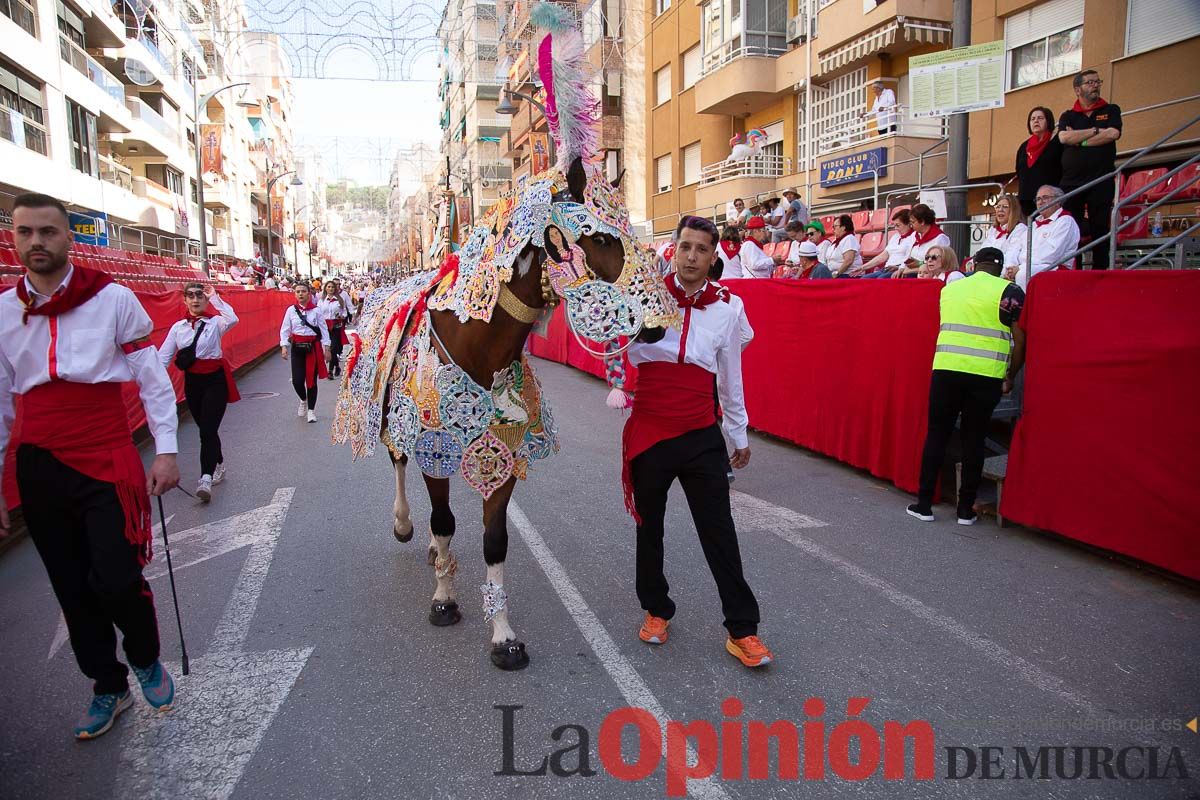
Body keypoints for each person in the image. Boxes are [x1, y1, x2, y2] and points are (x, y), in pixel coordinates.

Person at [0, 193, 180, 739]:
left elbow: (151, 376)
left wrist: (166, 449)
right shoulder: (4, 312)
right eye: (25, 232)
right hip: (40, 464)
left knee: (116, 575)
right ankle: (108, 684)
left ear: (69, 238)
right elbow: (3, 402)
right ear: (13, 238)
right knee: (71, 586)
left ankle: (146, 658)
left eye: (48, 232)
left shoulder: (115, 299)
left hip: (106, 455)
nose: (36, 242)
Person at [623, 215, 772, 668]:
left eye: (701, 249)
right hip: (650, 430)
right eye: (685, 247)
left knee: (719, 531)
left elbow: (730, 374)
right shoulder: (643, 296)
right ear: (674, 249)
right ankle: (656, 610)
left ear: (713, 256)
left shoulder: (729, 307)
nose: (691, 256)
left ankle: (742, 630)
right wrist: (630, 329)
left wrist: (737, 431)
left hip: (700, 432)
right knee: (650, 528)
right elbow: (611, 346)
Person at [908, 246, 1025, 525]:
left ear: (974, 264)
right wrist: (1010, 375)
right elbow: (1020, 339)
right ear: (1000, 267)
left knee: (937, 435)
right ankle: (965, 510)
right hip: (986, 375)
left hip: (946, 369)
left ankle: (924, 504)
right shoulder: (1010, 291)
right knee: (974, 440)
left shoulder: (950, 289)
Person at [158, 283, 240, 502]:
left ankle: (205, 477)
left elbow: (233, 318)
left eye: (199, 296)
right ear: (184, 300)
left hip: (215, 381)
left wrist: (215, 298)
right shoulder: (178, 328)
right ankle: (219, 463)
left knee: (208, 430)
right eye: (190, 296)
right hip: (193, 383)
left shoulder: (215, 323)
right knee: (206, 429)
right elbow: (163, 358)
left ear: (205, 300)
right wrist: (151, 382)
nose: (195, 300)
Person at [1058, 69, 1122, 270]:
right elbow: (1064, 138)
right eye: (1090, 82)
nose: (1095, 85)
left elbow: (1112, 134)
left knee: (1100, 227)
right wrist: (1095, 131)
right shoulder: (1068, 115)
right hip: (1072, 182)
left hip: (1100, 179)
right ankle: (1073, 270)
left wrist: (1080, 141)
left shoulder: (1110, 110)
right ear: (1078, 89)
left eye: (1097, 81)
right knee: (1071, 229)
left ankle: (1100, 272)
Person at [1003, 185, 1081, 289]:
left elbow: (1051, 255)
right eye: (1038, 199)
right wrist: (1010, 268)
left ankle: (1024, 305)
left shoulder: (1065, 221)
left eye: (1045, 197)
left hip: (1055, 268)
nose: (1040, 202)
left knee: (1023, 274)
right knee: (1002, 272)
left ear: (1058, 201)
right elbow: (1017, 248)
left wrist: (1020, 268)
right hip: (1028, 266)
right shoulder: (1034, 224)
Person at [280, 283, 331, 423]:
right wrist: (284, 346)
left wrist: (327, 348)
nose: (301, 294)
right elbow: (285, 329)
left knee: (311, 381)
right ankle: (303, 399)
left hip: (312, 348)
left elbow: (324, 329)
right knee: (297, 380)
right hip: (297, 348)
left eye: (303, 291)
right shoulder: (291, 310)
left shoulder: (317, 311)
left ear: (309, 294)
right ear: (295, 294)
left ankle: (311, 411)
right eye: (298, 291)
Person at [1015, 107, 1062, 219]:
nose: (1036, 121)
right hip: (1026, 199)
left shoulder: (1056, 142)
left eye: (1040, 118)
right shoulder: (1024, 146)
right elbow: (1018, 170)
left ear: (1048, 121)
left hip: (1048, 199)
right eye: (1032, 119)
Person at [895, 204, 950, 278]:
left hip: (927, 274)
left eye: (913, 222)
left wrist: (919, 264)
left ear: (922, 222)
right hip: (909, 271)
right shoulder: (914, 235)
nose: (911, 226)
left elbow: (939, 263)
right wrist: (901, 268)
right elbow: (907, 255)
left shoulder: (940, 238)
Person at [977, 194, 1028, 270]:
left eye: (1005, 207)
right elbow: (983, 250)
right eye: (998, 206)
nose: (1000, 210)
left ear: (1013, 211)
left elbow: (1012, 257)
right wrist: (973, 261)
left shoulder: (1020, 229)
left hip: (1000, 273)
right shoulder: (993, 230)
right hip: (984, 269)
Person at [861, 208, 916, 278]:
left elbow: (911, 258)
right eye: (894, 225)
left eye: (898, 225)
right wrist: (863, 267)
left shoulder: (914, 236)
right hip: (886, 269)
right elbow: (884, 255)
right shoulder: (895, 236)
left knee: (881, 280)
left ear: (908, 224)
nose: (895, 228)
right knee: (864, 279)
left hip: (898, 268)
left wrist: (899, 268)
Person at [318, 280, 352, 378]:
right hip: (325, 326)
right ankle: (337, 366)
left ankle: (330, 371)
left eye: (332, 287)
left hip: (336, 326)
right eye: (329, 287)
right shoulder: (321, 301)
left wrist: (341, 316)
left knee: (333, 348)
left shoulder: (339, 300)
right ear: (325, 288)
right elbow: (318, 313)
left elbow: (344, 312)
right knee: (329, 347)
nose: (331, 289)